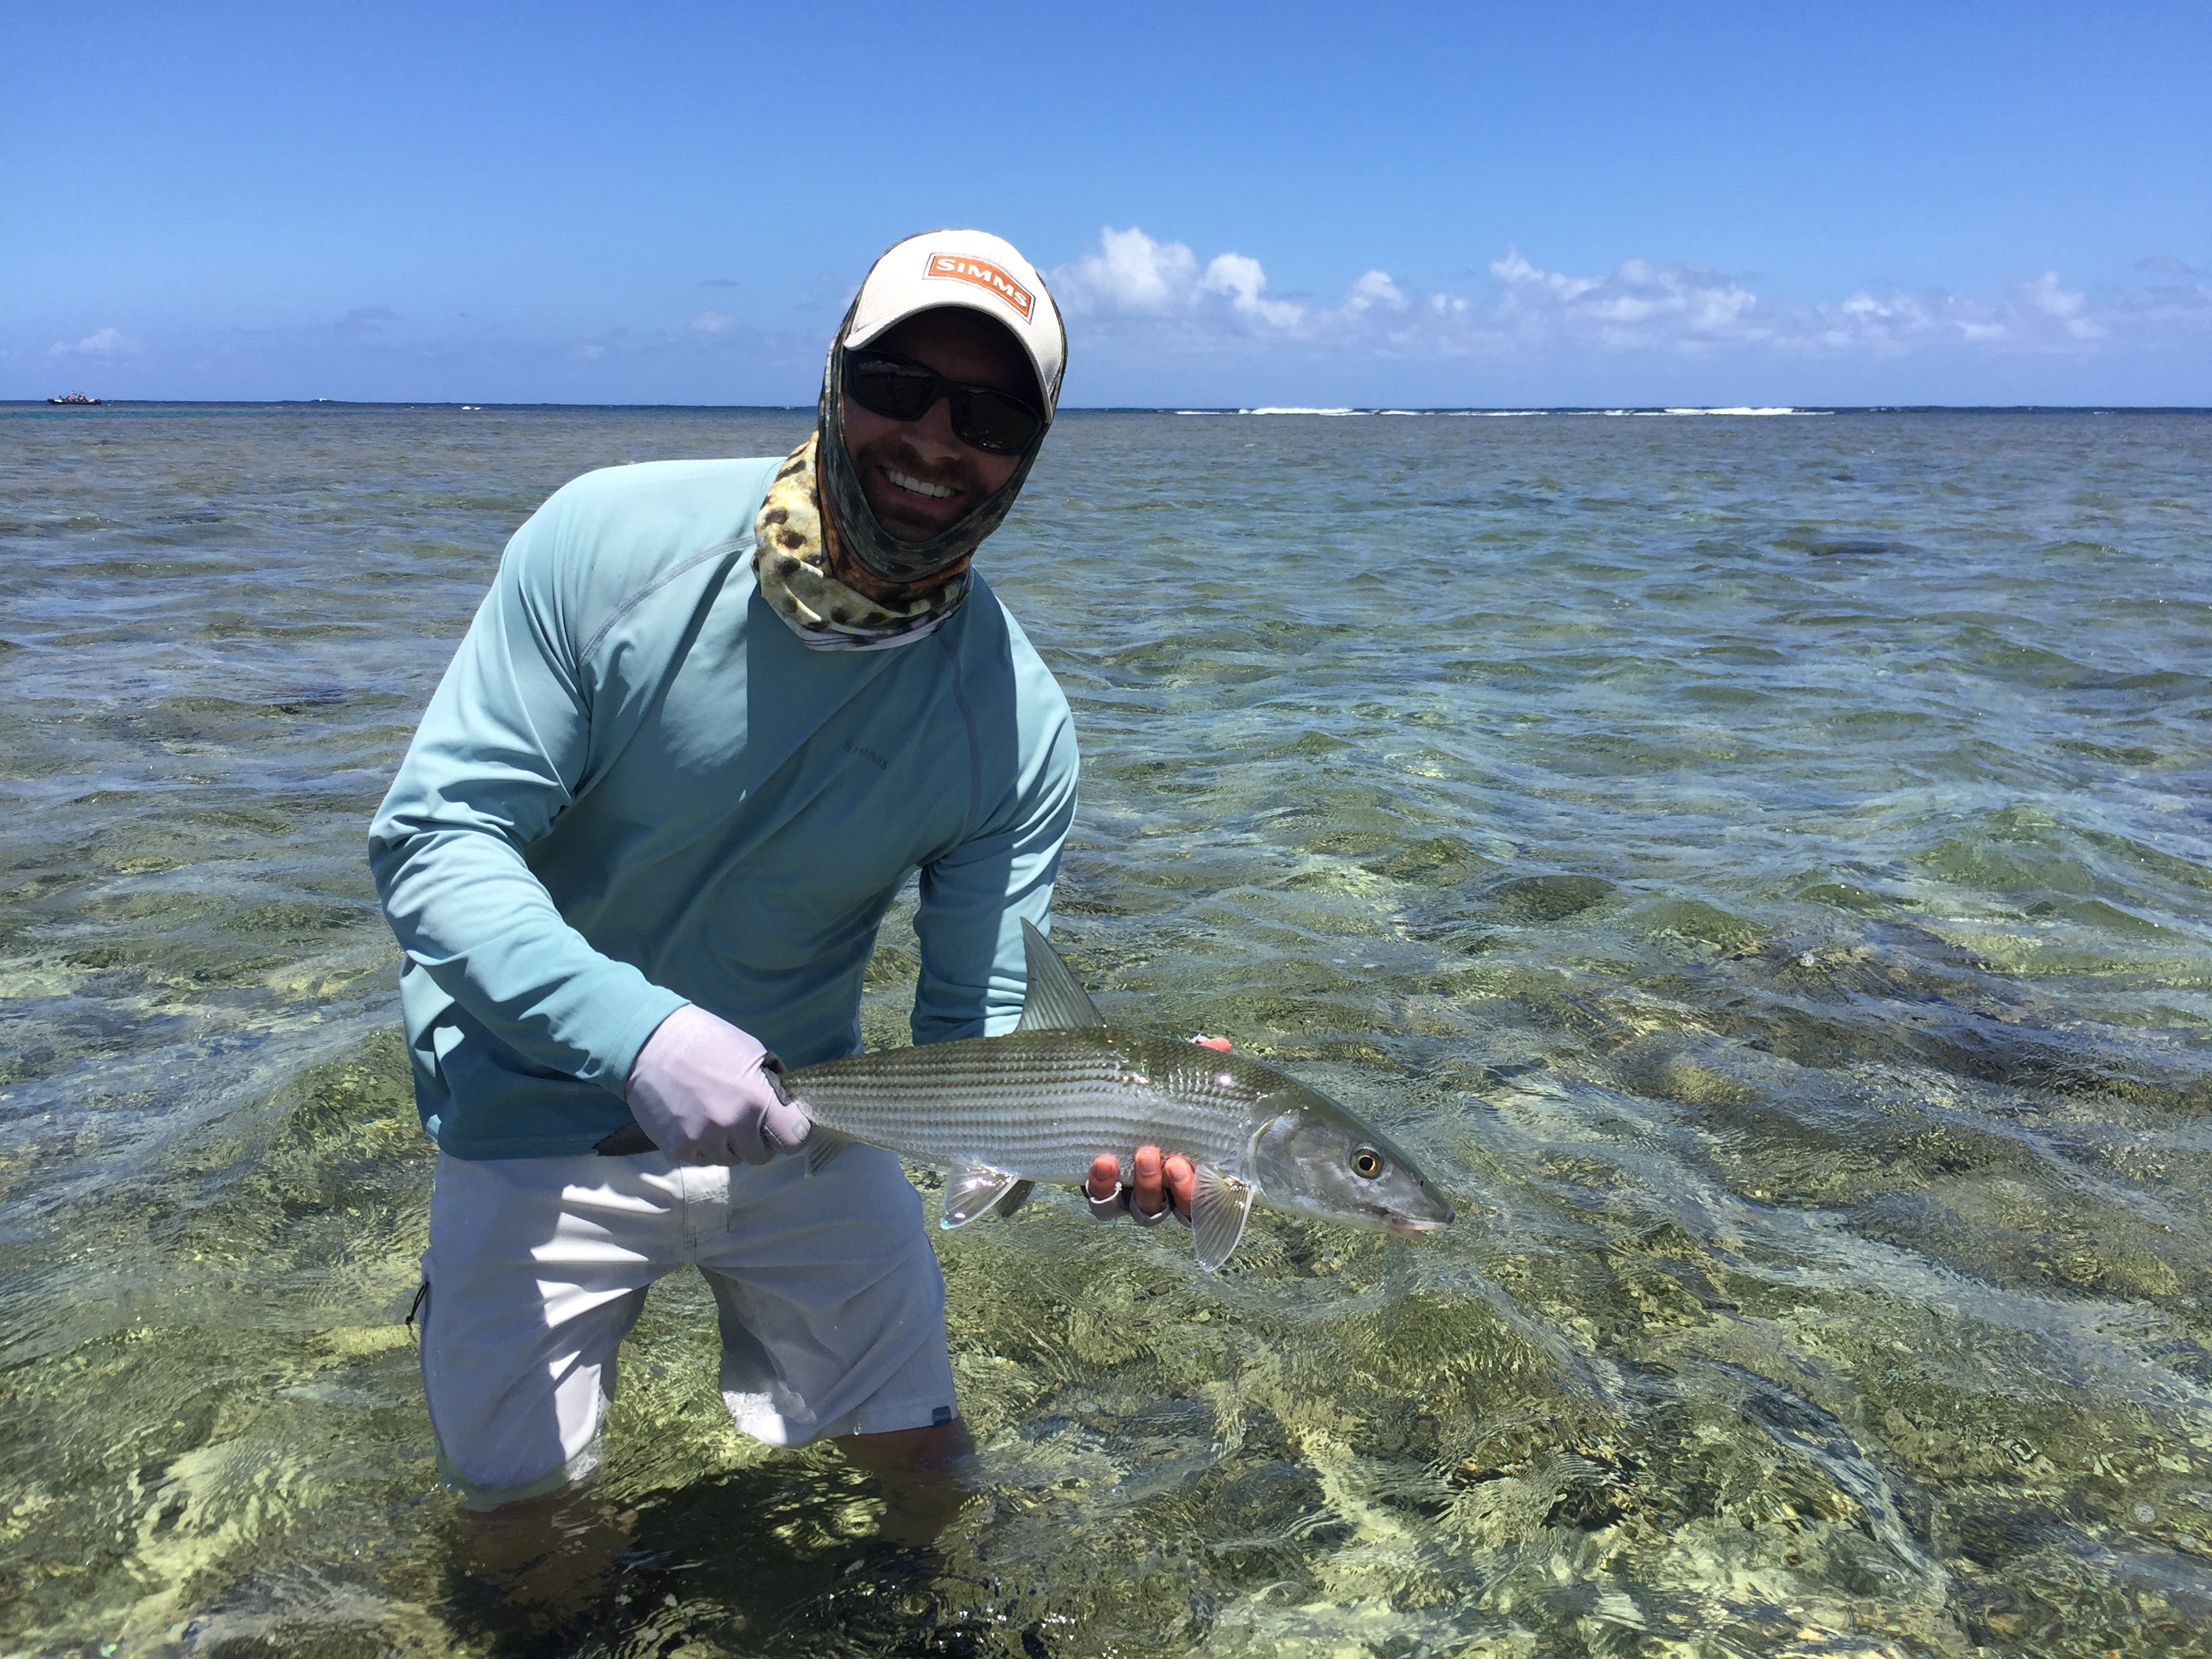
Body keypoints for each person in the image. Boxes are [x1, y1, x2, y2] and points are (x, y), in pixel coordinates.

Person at [370, 230, 1194, 1591]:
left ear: (1030, 452)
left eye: (989, 414)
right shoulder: (601, 543)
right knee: (525, 1556)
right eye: (898, 382)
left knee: (934, 1504)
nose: (934, 437)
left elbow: (976, 1035)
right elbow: (436, 843)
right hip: (526, 1116)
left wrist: (1117, 1118)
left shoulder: (1018, 723)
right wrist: (636, 1036)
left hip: (808, 1129)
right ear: (830, 376)